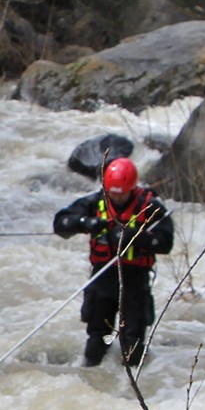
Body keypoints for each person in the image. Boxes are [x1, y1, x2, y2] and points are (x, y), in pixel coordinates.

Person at [52, 156, 174, 368]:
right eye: (113, 194)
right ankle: (92, 380)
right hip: (103, 279)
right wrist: (85, 223)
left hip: (135, 282)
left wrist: (135, 236)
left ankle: (133, 388)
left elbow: (165, 242)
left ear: (132, 188)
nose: (116, 198)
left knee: (132, 344)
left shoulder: (151, 206)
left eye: (121, 194)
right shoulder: (95, 202)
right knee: (96, 343)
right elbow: (61, 223)